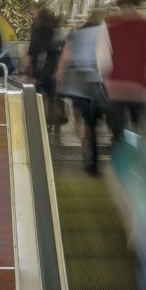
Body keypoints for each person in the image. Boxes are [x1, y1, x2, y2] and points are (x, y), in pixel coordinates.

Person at [96, 0, 146, 152]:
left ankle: (122, 156)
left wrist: (105, 77)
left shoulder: (109, 25)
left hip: (116, 89)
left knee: (118, 131)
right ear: (137, 5)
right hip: (141, 88)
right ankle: (140, 154)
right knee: (143, 128)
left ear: (119, 6)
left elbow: (103, 58)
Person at [56, 10, 107, 173]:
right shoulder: (103, 33)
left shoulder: (76, 34)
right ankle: (91, 147)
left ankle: (85, 144)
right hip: (97, 81)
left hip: (77, 82)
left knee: (83, 117)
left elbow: (65, 58)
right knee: (93, 119)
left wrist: (59, 80)